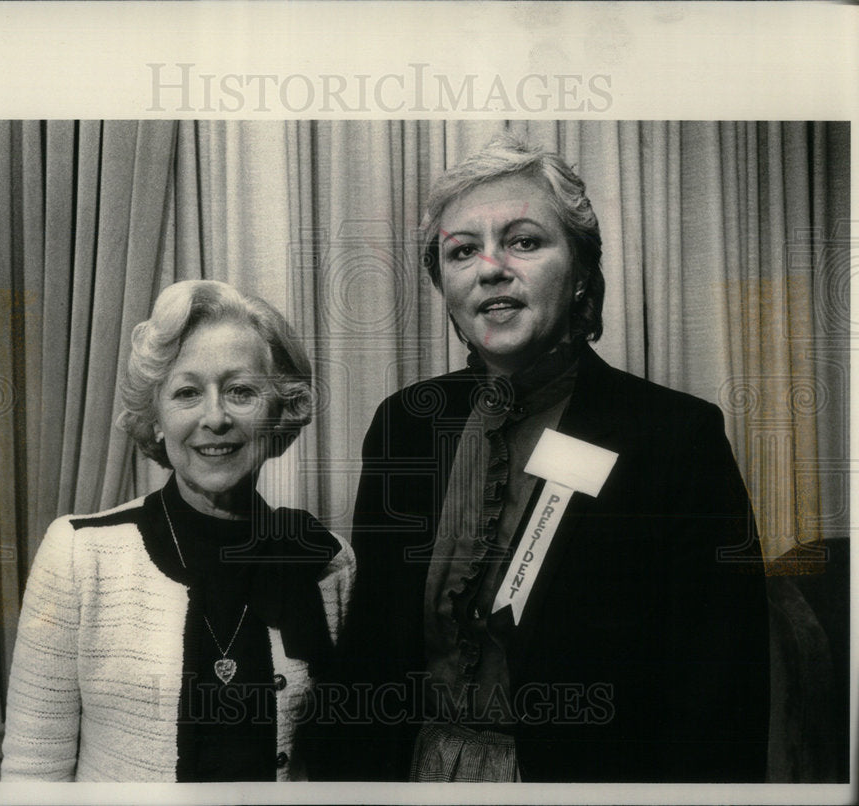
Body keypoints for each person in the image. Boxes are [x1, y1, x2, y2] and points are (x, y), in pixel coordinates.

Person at [315, 135, 769, 783]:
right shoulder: (407, 425)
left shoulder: (673, 437)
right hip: (421, 773)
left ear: (582, 270)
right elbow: (370, 653)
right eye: (462, 250)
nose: (491, 268)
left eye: (525, 241)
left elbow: (720, 690)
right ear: (443, 284)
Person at [1, 280, 355, 781]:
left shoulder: (327, 562)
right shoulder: (80, 554)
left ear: (278, 412)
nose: (215, 418)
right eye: (188, 392)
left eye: (241, 391)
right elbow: (32, 772)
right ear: (158, 419)